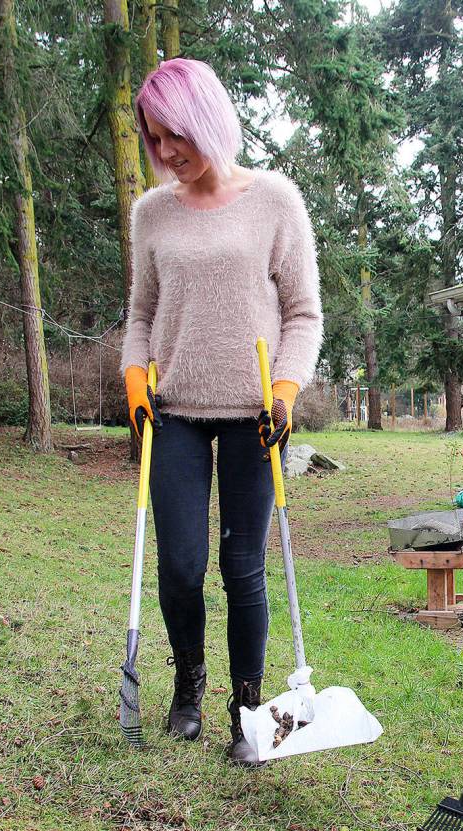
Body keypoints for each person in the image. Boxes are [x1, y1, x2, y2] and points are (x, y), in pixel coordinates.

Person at [120, 58, 322, 766]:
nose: (167, 151)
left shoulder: (273, 199)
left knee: (242, 566)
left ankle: (246, 705)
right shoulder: (151, 212)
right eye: (154, 139)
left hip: (253, 417)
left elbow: (302, 313)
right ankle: (188, 684)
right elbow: (141, 313)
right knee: (179, 564)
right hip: (172, 411)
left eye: (175, 133)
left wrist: (287, 389)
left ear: (207, 119)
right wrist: (134, 373)